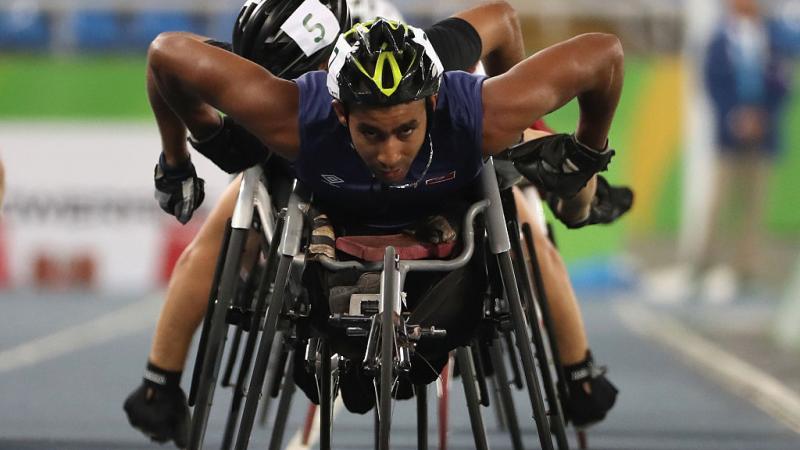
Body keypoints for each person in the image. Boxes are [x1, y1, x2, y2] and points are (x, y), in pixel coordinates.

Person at [124, 0, 623, 445]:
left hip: (451, 163)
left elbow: (550, 35)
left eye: (402, 128)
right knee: (237, 208)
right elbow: (167, 53)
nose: (389, 154)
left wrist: (541, 134)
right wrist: (184, 152)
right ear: (335, 103)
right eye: (273, 76)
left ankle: (577, 349)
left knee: (524, 215)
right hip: (307, 164)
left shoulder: (447, 78)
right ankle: (160, 383)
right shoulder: (288, 106)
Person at [700, 0, 799, 292]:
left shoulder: (774, 38)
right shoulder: (719, 39)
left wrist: (762, 115)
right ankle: (704, 264)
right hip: (729, 132)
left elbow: (783, 81)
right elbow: (712, 83)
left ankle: (746, 268)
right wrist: (735, 116)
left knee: (754, 203)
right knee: (718, 201)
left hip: (763, 132)